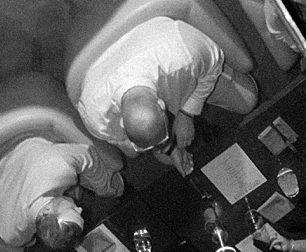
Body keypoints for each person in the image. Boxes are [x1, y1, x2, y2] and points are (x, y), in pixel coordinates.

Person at [75, 15, 243, 176]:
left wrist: (187, 113)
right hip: (152, 79)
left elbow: (215, 60)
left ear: (163, 105)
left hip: (182, 74)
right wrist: (169, 149)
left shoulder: (182, 55)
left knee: (248, 100)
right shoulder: (96, 118)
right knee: (166, 158)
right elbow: (126, 140)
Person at [0, 135, 125, 251]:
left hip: (19, 134)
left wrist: (106, 189)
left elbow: (88, 155)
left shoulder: (59, 168)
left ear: (47, 211)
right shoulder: (11, 236)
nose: (80, 208)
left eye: (73, 210)